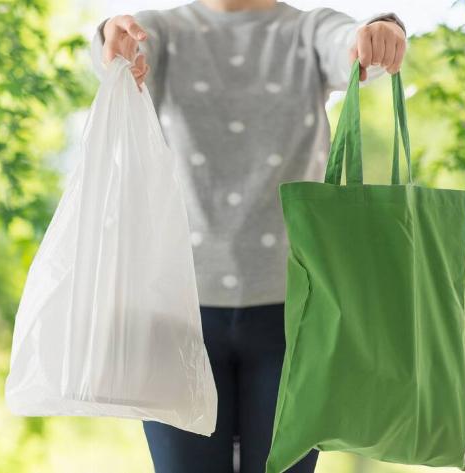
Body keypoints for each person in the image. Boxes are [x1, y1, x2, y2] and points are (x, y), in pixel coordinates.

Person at [91, 1, 407, 472]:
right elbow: (113, 45)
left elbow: (349, 44)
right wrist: (109, 39)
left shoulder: (307, 28)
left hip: (296, 320)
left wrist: (381, 32)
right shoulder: (161, 30)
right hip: (177, 317)